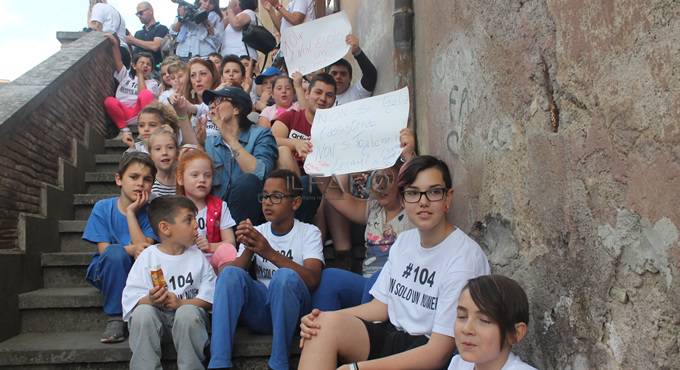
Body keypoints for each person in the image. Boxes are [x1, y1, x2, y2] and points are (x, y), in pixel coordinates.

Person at [297, 155, 491, 370]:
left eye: (434, 192)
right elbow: (381, 306)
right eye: (413, 193)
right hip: (394, 335)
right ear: (404, 200)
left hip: (430, 352)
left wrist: (357, 368)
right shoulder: (404, 242)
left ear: (448, 199)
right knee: (319, 327)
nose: (423, 201)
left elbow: (438, 353)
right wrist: (322, 317)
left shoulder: (463, 259)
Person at [209, 169, 324, 370]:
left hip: (295, 314)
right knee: (229, 274)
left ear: (295, 203)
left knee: (284, 278)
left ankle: (278, 364)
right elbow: (233, 276)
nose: (267, 202)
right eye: (264, 196)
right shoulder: (258, 232)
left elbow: (313, 279)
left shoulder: (309, 232)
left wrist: (268, 252)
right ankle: (219, 363)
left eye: (276, 196)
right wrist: (248, 249)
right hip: (263, 311)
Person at [311, 129, 416, 311]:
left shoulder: (414, 211)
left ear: (401, 183)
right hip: (367, 284)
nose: (381, 185)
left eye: (388, 179)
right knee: (328, 278)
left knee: (379, 279)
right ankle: (322, 331)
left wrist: (409, 156)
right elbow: (333, 192)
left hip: (398, 287)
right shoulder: (372, 209)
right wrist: (317, 160)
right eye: (377, 179)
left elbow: (420, 185)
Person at [122, 196, 216, 370]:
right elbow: (131, 299)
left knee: (187, 312)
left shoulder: (197, 257)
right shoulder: (148, 257)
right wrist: (150, 300)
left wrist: (182, 303)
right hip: (158, 324)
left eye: (196, 218)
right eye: (189, 220)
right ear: (165, 228)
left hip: (190, 325)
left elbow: (210, 297)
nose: (196, 224)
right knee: (143, 312)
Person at [83, 152, 157, 343]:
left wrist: (132, 213)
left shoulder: (152, 213)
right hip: (108, 271)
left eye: (147, 179)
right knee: (115, 253)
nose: (140, 183)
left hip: (139, 273)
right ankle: (116, 317)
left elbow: (144, 253)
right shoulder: (102, 208)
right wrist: (131, 249)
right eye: (133, 177)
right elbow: (105, 251)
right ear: (119, 179)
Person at [202, 86, 278, 224]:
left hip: (249, 216)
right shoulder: (210, 143)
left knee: (248, 181)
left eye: (218, 100)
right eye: (210, 102)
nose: (212, 105)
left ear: (236, 109)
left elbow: (260, 174)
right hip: (216, 217)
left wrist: (229, 138)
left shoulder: (261, 134)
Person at [448, 275, 537, 370]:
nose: (466, 329)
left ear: (515, 333)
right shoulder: (459, 364)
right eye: (462, 316)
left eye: (484, 320)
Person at [176, 149, 238, 271]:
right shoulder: (174, 208)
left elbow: (230, 243)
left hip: (212, 263)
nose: (202, 180)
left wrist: (210, 246)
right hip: (185, 263)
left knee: (228, 251)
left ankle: (224, 285)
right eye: (195, 175)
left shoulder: (220, 206)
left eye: (207, 175)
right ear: (180, 179)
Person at [102, 34, 159, 137]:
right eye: (142, 63)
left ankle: (145, 124)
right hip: (123, 113)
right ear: (133, 65)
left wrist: (140, 74)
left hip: (140, 113)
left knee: (146, 94)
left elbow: (142, 94)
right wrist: (115, 44)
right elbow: (118, 61)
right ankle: (124, 129)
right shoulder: (125, 76)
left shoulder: (153, 83)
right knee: (109, 101)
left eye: (148, 64)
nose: (145, 65)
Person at [330, 34, 378, 106]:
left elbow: (370, 75)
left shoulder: (357, 92)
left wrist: (357, 52)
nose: (338, 77)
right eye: (334, 73)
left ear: (350, 78)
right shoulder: (322, 100)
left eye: (343, 74)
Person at [127, 2, 169, 69]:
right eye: (137, 14)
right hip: (137, 72)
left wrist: (133, 40)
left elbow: (155, 46)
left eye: (141, 13)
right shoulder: (138, 33)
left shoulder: (161, 28)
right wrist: (129, 42)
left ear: (150, 11)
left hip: (155, 72)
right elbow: (133, 54)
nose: (139, 16)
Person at [88, 0, 130, 67]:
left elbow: (95, 28)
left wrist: (89, 14)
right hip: (124, 52)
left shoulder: (98, 6)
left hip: (112, 49)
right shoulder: (115, 11)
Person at [148, 127, 179, 198]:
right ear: (150, 155)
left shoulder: (183, 181)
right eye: (158, 149)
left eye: (170, 147)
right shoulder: (148, 183)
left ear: (177, 152)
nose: (164, 152)